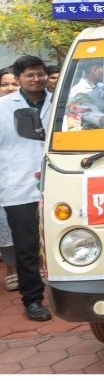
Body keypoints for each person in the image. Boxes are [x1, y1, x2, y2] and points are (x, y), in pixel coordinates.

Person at [0, 56, 53, 320]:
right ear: (19, 77)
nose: (36, 79)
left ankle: (66, 291)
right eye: (30, 75)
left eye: (40, 74)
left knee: (63, 240)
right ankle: (32, 300)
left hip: (57, 183)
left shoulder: (59, 102)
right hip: (17, 186)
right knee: (26, 247)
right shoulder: (2, 108)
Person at [0, 67, 18, 292]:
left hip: (25, 176)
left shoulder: (29, 108)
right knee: (4, 225)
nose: (10, 88)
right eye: (5, 84)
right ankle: (11, 269)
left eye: (14, 83)